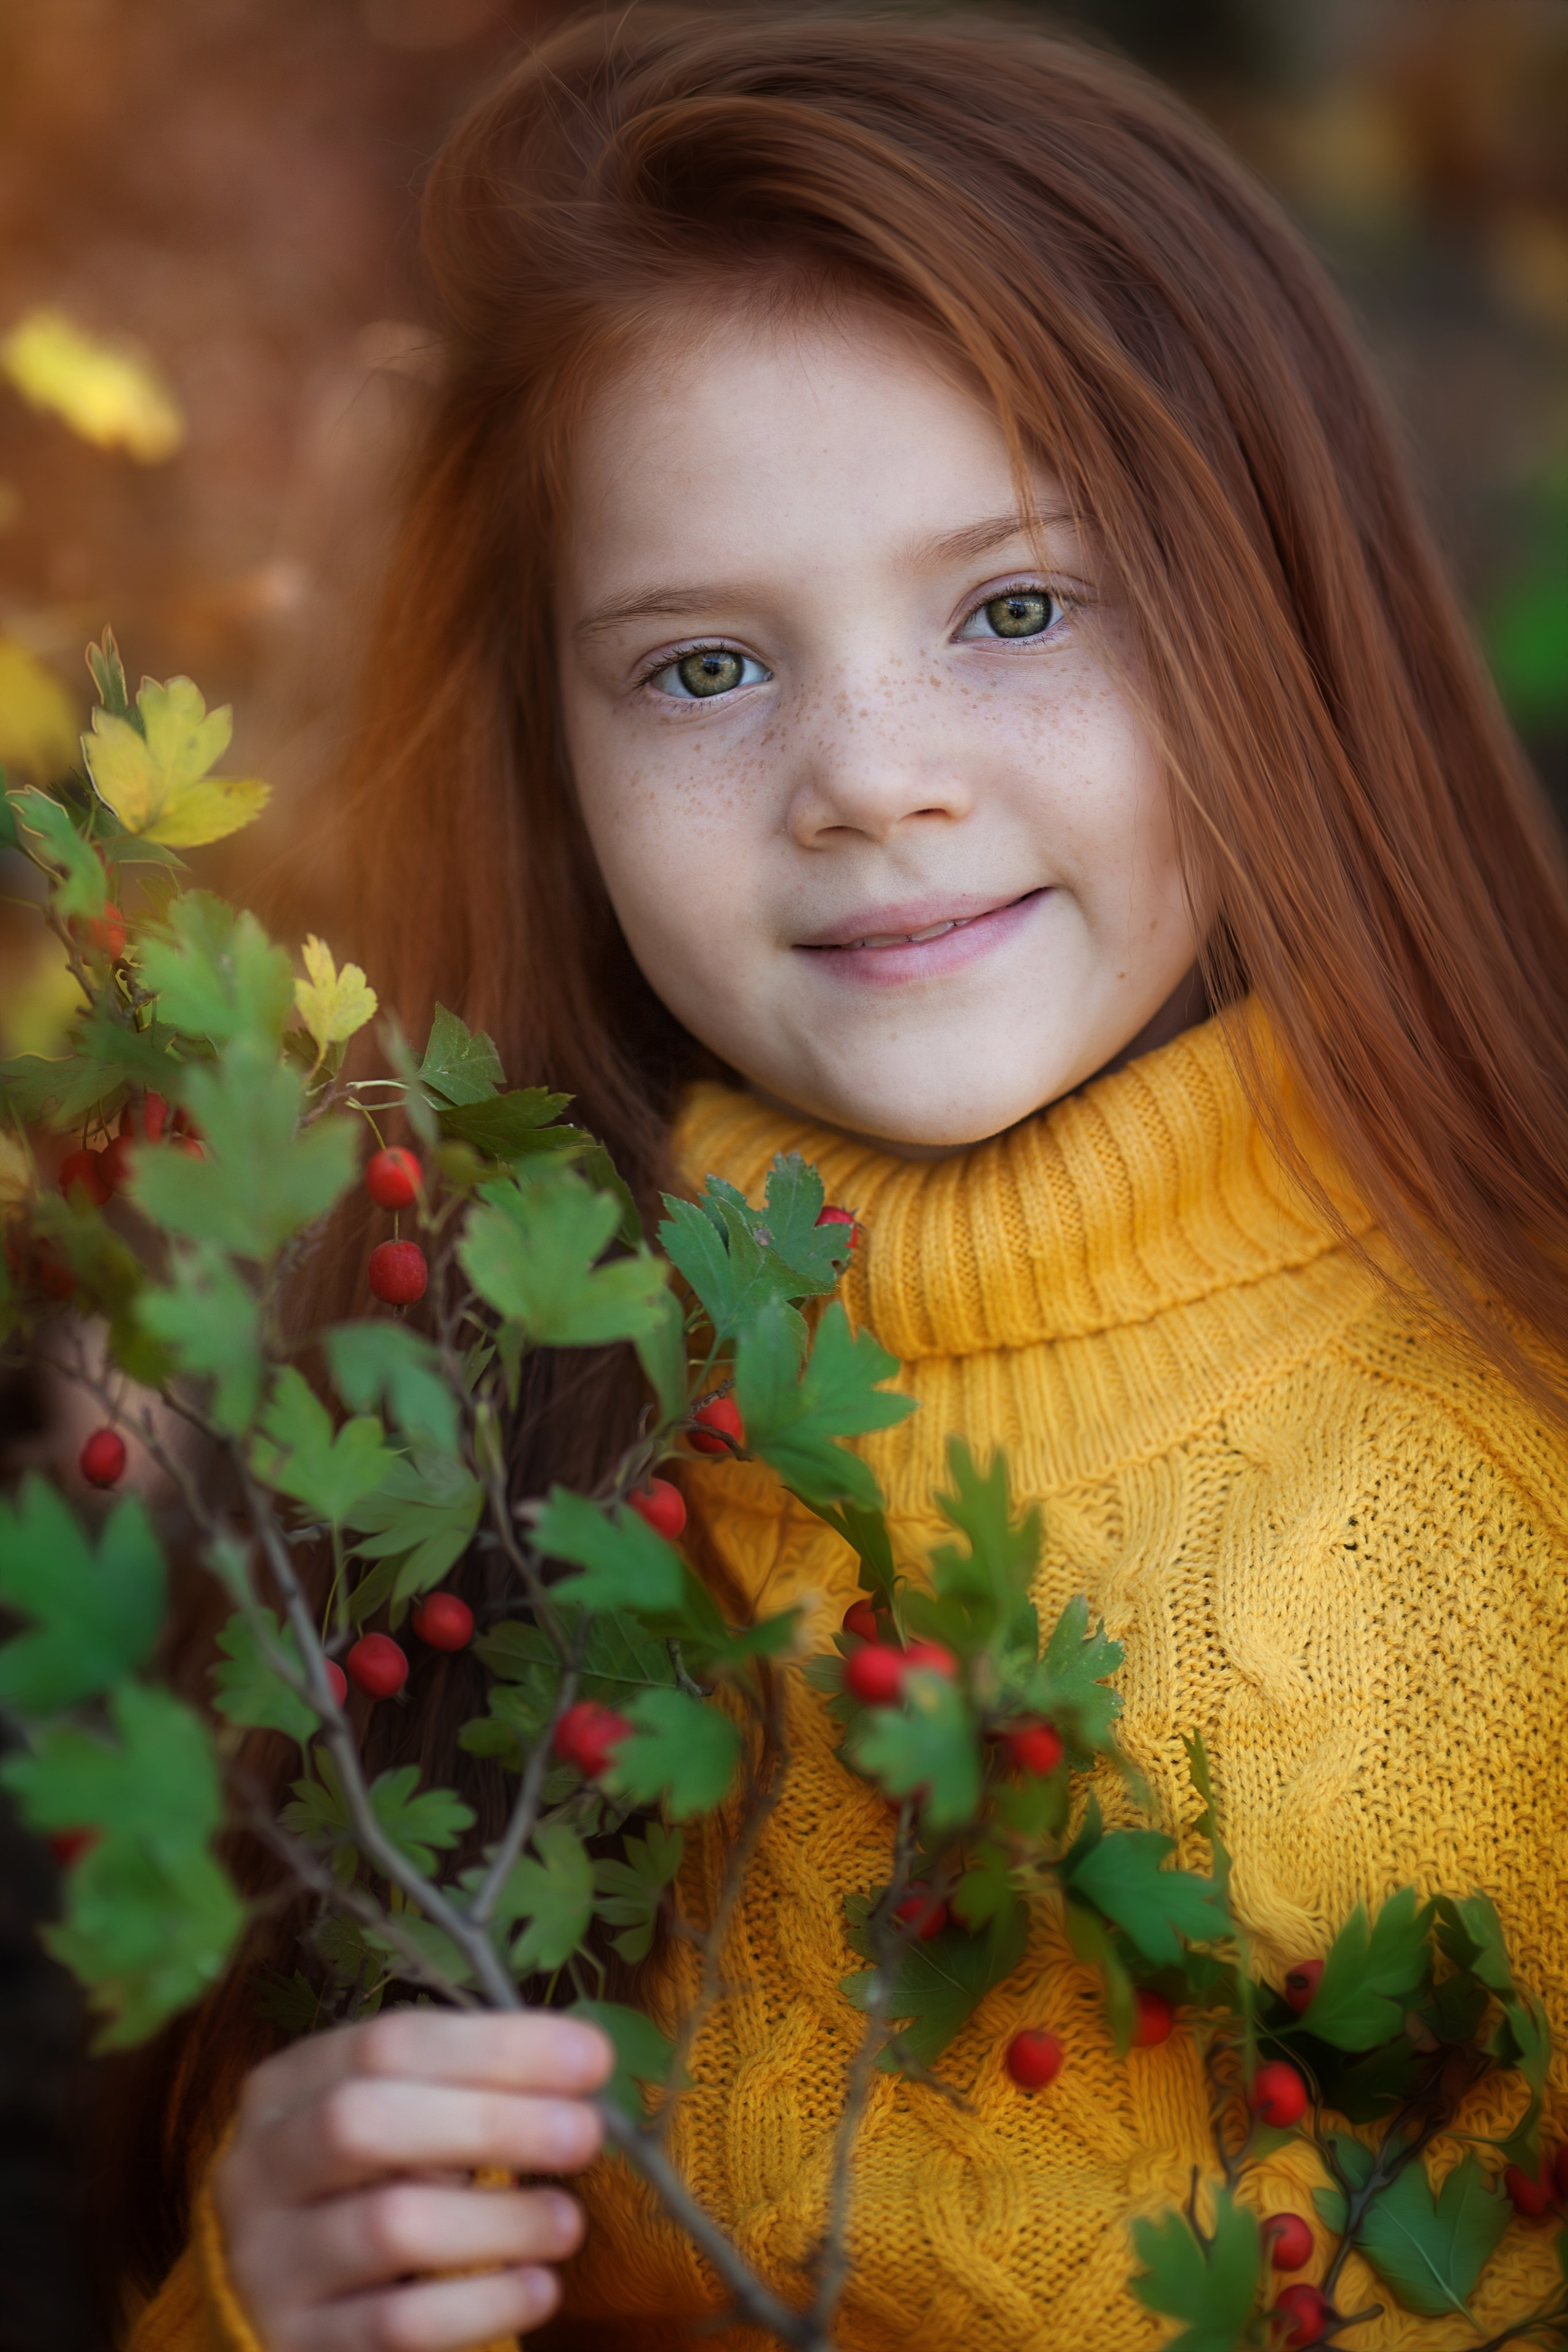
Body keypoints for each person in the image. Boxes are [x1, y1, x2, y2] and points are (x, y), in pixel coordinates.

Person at [121, 10, 1568, 2351]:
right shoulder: (446, 1437)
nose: (865, 782)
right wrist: (254, 2304)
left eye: (1015, 608)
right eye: (701, 669)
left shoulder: (1525, 1434)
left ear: (1273, 615)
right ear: (549, 747)